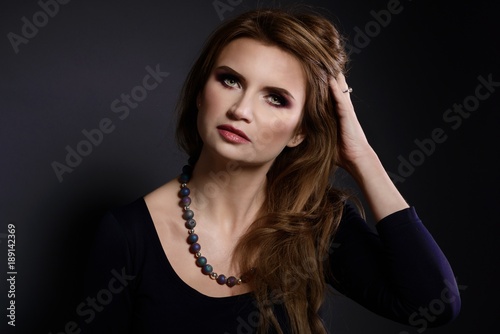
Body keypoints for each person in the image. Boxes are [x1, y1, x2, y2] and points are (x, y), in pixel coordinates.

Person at [81, 7, 461, 334]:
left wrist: (361, 155)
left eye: (275, 98)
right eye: (230, 80)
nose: (241, 109)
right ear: (201, 92)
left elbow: (434, 301)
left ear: (300, 131)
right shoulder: (128, 235)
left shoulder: (314, 224)